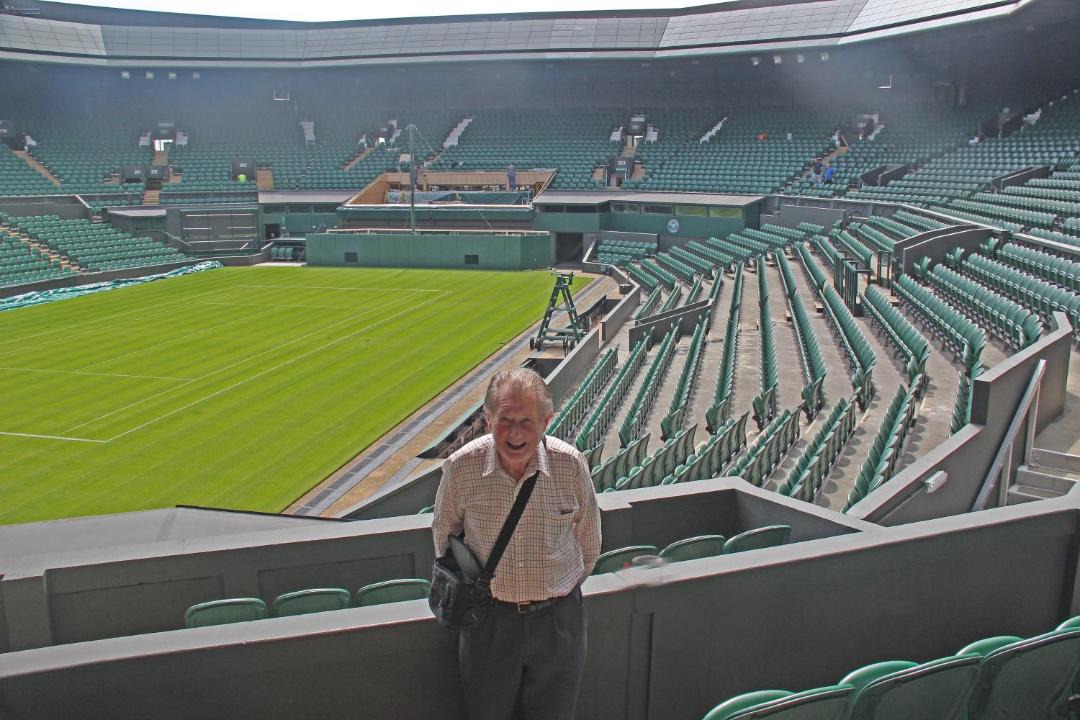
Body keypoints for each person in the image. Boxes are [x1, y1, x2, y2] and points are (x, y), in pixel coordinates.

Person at [433, 368, 602, 720]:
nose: (514, 432)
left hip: (558, 623)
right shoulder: (461, 468)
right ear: (488, 418)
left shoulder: (570, 465)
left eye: (527, 420)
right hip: (489, 624)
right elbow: (444, 541)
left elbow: (589, 545)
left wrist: (553, 592)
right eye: (505, 418)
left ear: (547, 421)